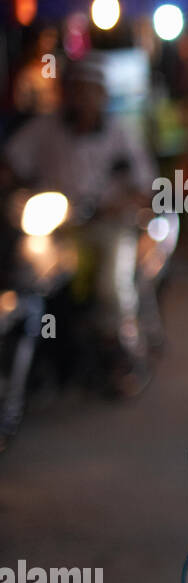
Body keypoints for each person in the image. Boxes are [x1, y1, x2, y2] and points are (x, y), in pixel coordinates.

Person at [0, 53, 157, 394]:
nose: (83, 98)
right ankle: (42, 350)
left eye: (90, 90)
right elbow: (12, 162)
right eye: (76, 89)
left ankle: (118, 353)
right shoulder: (45, 128)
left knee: (109, 284)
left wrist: (121, 203)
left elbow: (145, 185)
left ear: (102, 94)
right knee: (31, 277)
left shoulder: (120, 133)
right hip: (56, 226)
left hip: (106, 225)